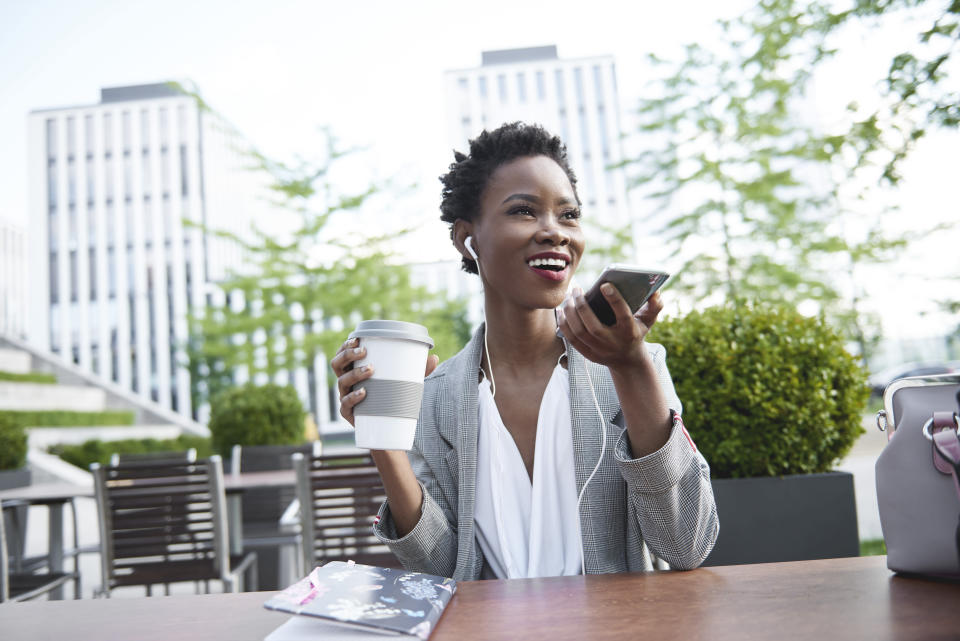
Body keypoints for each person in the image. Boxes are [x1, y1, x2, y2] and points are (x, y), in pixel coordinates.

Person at [332, 122, 718, 580]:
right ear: (466, 239)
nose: (554, 232)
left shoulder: (635, 371)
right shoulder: (436, 397)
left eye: (568, 215)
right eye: (524, 211)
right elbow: (439, 570)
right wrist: (386, 443)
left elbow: (687, 543)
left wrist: (630, 365)